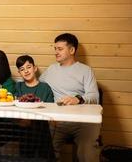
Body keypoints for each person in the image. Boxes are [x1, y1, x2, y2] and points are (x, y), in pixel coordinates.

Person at [39, 33, 100, 162]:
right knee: (46, 152)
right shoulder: (51, 70)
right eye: (55, 49)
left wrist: (78, 99)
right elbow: (37, 86)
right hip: (58, 121)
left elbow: (94, 96)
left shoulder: (85, 70)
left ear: (72, 50)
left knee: (87, 153)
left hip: (83, 122)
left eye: (60, 49)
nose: (56, 52)